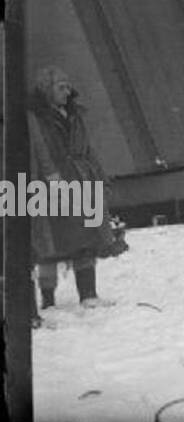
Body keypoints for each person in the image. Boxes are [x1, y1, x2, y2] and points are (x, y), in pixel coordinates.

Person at [29, 67, 114, 319]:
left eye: (68, 86)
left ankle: (88, 294)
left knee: (87, 236)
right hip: (53, 183)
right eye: (61, 87)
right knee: (52, 241)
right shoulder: (36, 118)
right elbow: (40, 150)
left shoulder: (74, 115)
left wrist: (99, 176)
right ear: (47, 89)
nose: (67, 91)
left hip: (81, 178)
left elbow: (87, 149)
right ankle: (48, 299)